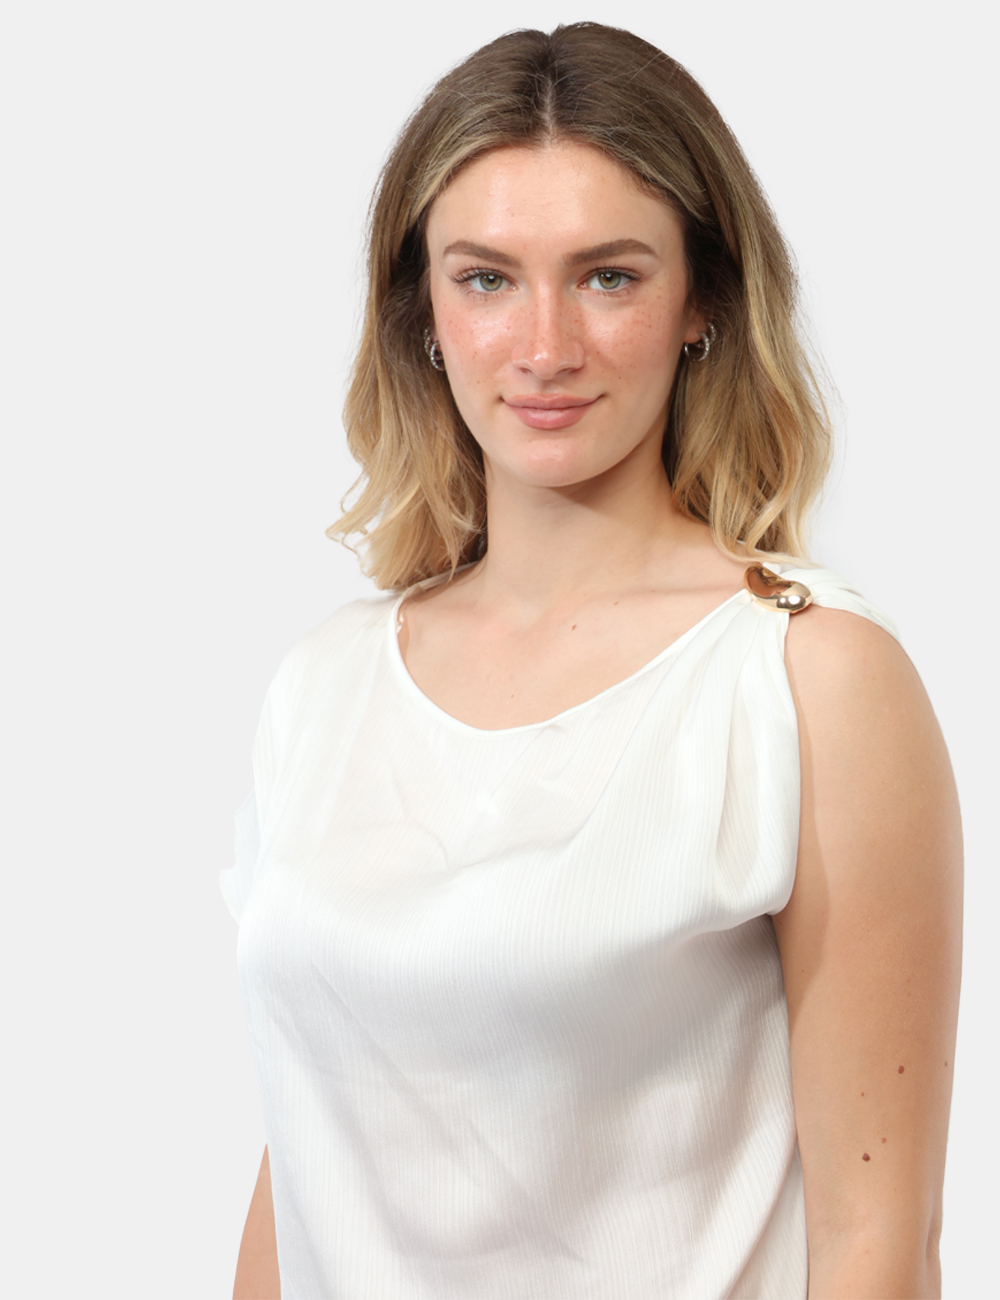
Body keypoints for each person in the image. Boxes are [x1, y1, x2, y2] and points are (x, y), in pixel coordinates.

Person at [222, 22, 962, 1300]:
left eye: (608, 276)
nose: (545, 345)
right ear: (422, 312)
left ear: (702, 301)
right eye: (485, 278)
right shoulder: (325, 685)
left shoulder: (804, 679)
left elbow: (876, 1243)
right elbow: (306, 1155)